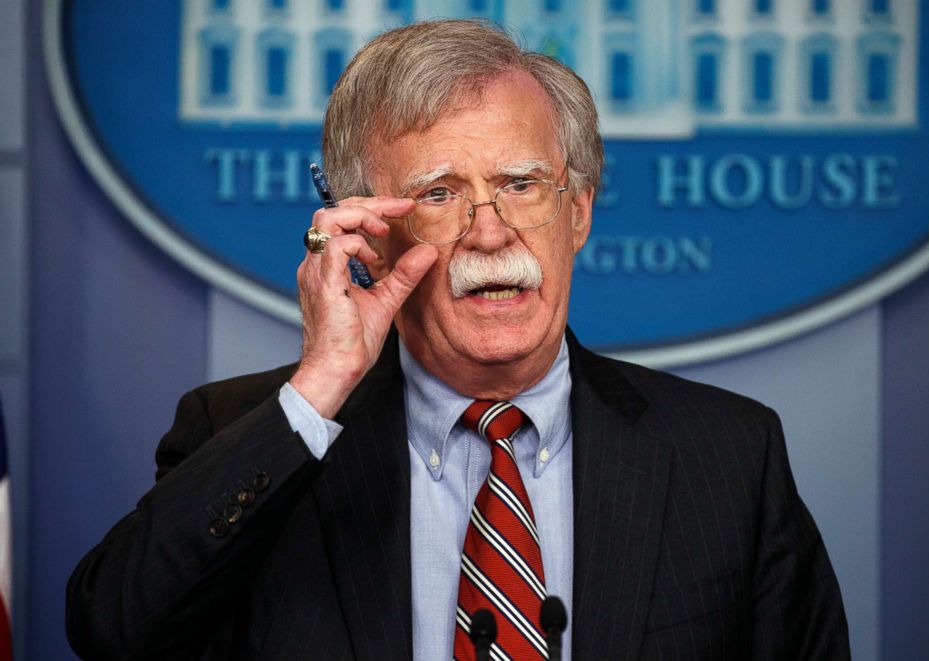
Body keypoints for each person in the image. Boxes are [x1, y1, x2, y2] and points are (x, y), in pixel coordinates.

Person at [66, 19, 850, 661]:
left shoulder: (729, 456)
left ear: (577, 212)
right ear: (366, 234)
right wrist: (321, 384)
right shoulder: (251, 435)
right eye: (439, 193)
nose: (489, 230)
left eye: (521, 183)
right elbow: (113, 629)